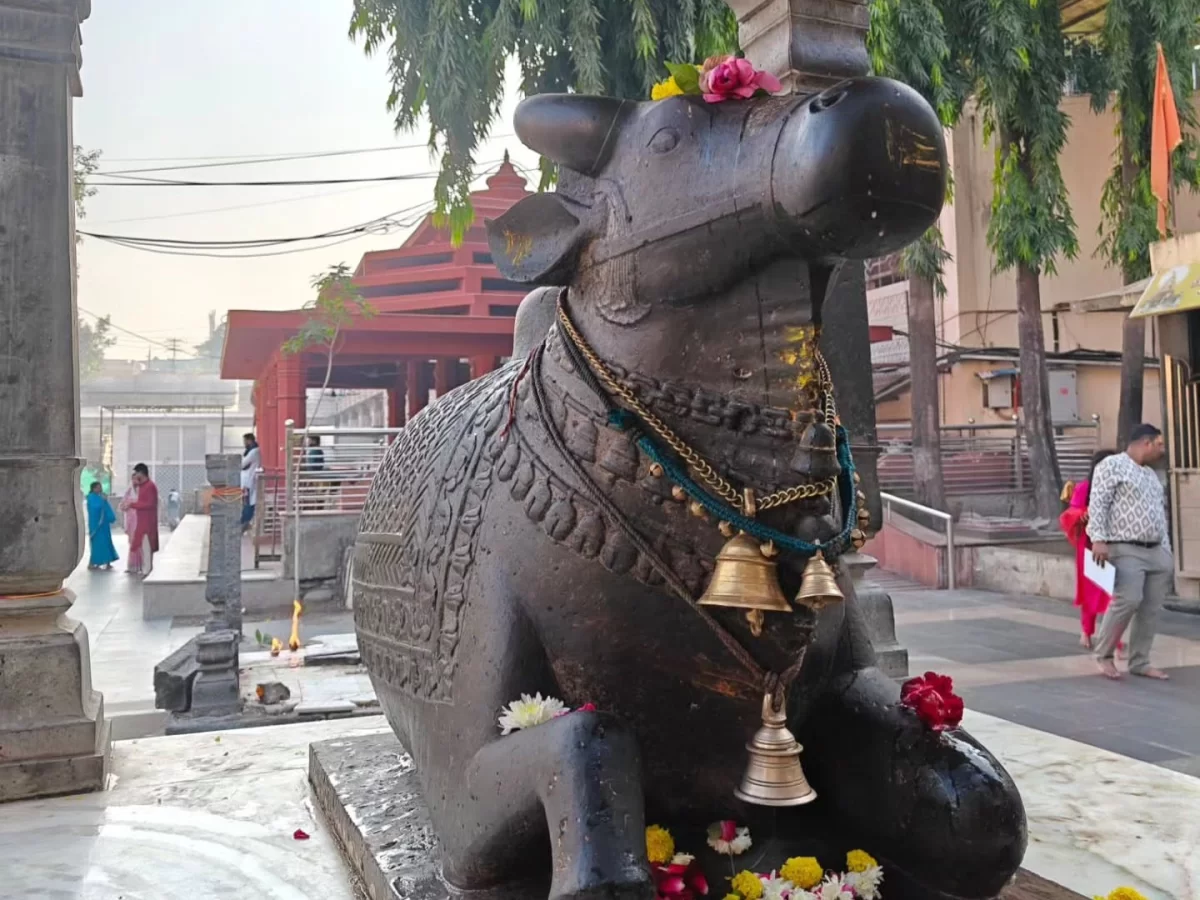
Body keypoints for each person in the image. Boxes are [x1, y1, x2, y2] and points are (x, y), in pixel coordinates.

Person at [1087, 424, 1173, 681]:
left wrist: (1166, 552)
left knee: (1151, 607)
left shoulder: (1151, 475)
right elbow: (1099, 502)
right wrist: (1098, 538)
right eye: (1159, 444)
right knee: (1129, 599)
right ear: (1146, 442)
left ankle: (1140, 660)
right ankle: (1104, 654)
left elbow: (1159, 513)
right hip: (1125, 546)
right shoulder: (1112, 465)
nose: (1162, 450)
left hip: (1156, 549)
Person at [1061, 450, 1125, 653]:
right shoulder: (1084, 488)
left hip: (1114, 542)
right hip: (1089, 545)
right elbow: (1070, 514)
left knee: (1113, 592)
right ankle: (1086, 631)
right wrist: (1084, 515)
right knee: (1091, 590)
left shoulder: (1119, 487)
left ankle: (1114, 638)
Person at [126, 463, 160, 576]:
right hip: (142, 521)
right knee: (143, 546)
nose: (136, 476)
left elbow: (150, 504)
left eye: (137, 473)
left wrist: (132, 505)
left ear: (142, 473)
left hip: (148, 521)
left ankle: (147, 570)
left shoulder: (150, 486)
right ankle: (146, 569)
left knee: (147, 547)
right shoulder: (142, 486)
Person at [85, 481, 119, 570]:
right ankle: (93, 562)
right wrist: (103, 501)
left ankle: (108, 562)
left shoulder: (101, 496)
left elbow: (106, 507)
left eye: (100, 487)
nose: (100, 489)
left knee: (107, 542)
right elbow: (94, 508)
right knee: (97, 544)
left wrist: (104, 500)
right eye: (98, 487)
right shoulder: (91, 497)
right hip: (96, 525)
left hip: (104, 525)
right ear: (93, 488)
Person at [241, 433, 261, 533]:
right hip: (247, 480)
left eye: (245, 441)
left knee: (248, 502)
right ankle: (245, 522)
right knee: (247, 501)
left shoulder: (254, 451)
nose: (244, 443)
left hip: (249, 480)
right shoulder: (251, 451)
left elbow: (242, 464)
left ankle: (245, 522)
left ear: (249, 440)